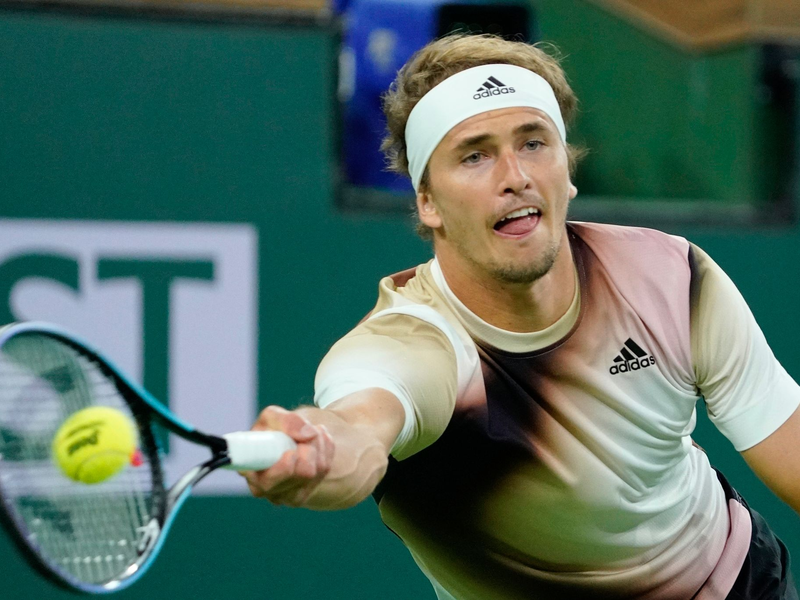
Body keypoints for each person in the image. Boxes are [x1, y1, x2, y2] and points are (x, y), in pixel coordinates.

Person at [242, 34, 800, 599]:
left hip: (732, 580)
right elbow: (360, 432)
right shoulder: (407, 344)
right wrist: (320, 450)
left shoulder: (670, 277)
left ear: (568, 169)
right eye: (475, 155)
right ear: (427, 202)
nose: (515, 176)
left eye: (533, 143)